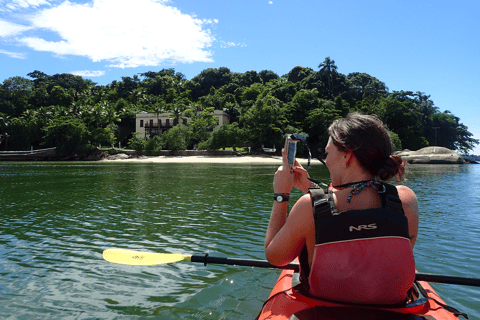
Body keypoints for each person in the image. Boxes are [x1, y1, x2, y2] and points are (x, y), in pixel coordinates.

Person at [265, 112, 419, 305]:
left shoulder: (307, 207)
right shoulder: (405, 199)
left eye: (328, 153)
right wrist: (310, 188)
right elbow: (372, 252)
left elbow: (275, 257)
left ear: (347, 154)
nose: (326, 160)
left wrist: (281, 195)